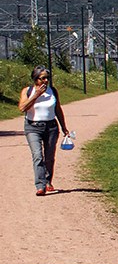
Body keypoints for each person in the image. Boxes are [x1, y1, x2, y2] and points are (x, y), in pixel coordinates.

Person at [18, 66, 70, 196]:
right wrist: (36, 95)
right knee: (37, 155)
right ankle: (40, 186)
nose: (46, 81)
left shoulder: (53, 91)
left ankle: (48, 182)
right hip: (32, 127)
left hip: (51, 127)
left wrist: (64, 127)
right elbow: (22, 107)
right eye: (43, 78)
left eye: (47, 78)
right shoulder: (28, 91)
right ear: (35, 79)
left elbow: (58, 109)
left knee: (49, 157)